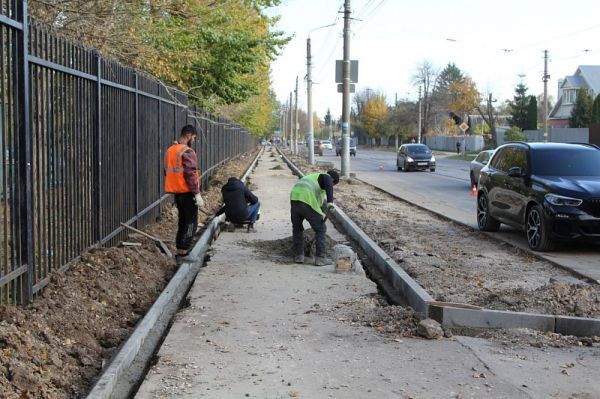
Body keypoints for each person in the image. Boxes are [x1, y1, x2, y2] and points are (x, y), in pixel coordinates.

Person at [164, 125, 203, 263]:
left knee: (182, 221)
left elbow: (167, 171)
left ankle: (180, 250)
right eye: (193, 138)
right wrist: (197, 193)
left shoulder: (171, 150)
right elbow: (190, 173)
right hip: (187, 192)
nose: (193, 140)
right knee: (191, 222)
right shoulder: (187, 151)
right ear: (188, 135)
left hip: (177, 192)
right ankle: (184, 253)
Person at [290, 170, 340, 266]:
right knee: (321, 229)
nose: (330, 187)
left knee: (297, 228)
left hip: (294, 199)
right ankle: (321, 258)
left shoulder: (313, 181)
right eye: (333, 185)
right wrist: (330, 202)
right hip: (306, 200)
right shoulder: (326, 177)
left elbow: (319, 206)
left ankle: (299, 256)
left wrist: (325, 211)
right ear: (332, 180)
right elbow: (328, 183)